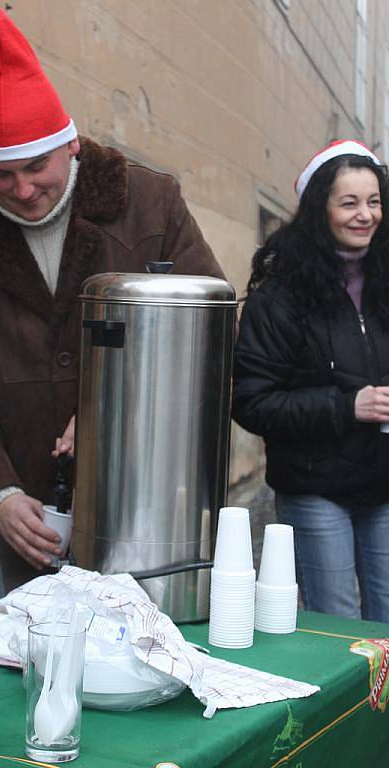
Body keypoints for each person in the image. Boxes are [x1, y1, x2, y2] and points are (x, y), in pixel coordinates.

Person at [0, 7, 225, 594]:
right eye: (1, 176)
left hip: (144, 504)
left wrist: (116, 407)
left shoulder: (153, 206)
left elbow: (210, 335)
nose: (23, 190)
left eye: (36, 167)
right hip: (21, 510)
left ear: (70, 146)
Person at [233, 139, 389, 621]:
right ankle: (350, 702)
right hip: (315, 487)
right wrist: (348, 406)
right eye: (349, 202)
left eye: (374, 201)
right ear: (319, 209)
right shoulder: (280, 298)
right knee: (336, 623)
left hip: (383, 483)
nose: (365, 215)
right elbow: (252, 401)